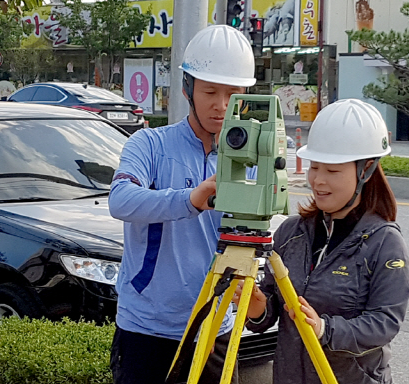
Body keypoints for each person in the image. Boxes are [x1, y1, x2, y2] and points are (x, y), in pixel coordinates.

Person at [108, 25, 256, 384]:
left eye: (233, 93)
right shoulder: (150, 144)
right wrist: (190, 199)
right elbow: (121, 200)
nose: (221, 105)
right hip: (148, 329)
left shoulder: (252, 157)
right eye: (210, 91)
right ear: (188, 88)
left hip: (217, 327)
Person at [234, 98, 409, 384]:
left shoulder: (384, 242)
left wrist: (324, 329)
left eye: (332, 171)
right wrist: (258, 308)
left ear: (365, 170)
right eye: (314, 167)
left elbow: (385, 322)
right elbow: (271, 307)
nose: (318, 180)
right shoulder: (291, 232)